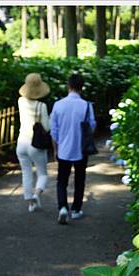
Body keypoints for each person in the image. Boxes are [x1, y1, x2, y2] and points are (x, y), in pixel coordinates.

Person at [50, 73, 96, 225]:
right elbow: (92, 126)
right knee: (79, 180)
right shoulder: (87, 106)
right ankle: (76, 210)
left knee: (62, 180)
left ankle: (62, 207)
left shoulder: (58, 105)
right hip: (81, 149)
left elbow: (54, 131)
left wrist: (56, 149)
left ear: (68, 86)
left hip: (63, 149)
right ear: (81, 88)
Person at [16, 73, 50, 213]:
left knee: (26, 172)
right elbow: (47, 127)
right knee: (42, 174)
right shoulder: (41, 106)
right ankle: (36, 194)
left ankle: (31, 204)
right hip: (35, 144)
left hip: (21, 142)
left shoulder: (20, 101)